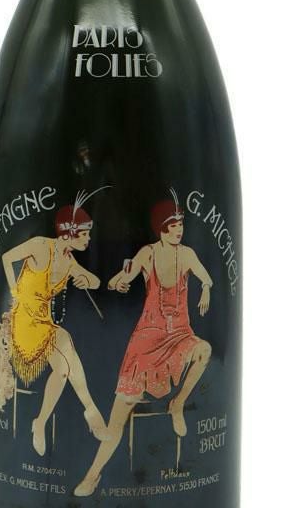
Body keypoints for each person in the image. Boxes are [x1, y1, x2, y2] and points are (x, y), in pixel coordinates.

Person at [74, 192, 213, 497]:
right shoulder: (147, 254)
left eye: (181, 225)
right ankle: (92, 475)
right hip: (147, 341)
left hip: (179, 335)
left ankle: (178, 403)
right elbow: (121, 278)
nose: (179, 230)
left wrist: (206, 288)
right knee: (119, 414)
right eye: (173, 226)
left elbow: (206, 277)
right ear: (161, 229)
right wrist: (119, 283)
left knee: (204, 350)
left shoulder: (187, 255)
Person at [0, 190, 110, 456]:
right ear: (69, 234)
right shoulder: (40, 246)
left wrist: (87, 280)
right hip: (23, 321)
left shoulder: (68, 261)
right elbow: (6, 258)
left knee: (62, 369)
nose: (89, 238)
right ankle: (91, 410)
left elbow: (95, 281)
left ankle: (40, 422)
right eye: (85, 234)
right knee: (65, 342)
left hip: (44, 323)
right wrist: (14, 291)